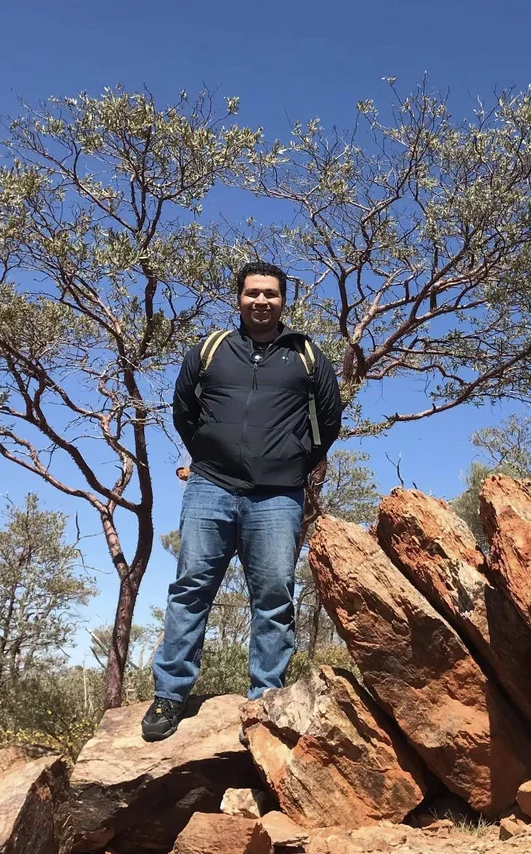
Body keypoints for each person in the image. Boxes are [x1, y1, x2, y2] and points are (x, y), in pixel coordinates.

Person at [142, 261, 343, 741]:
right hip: (209, 487)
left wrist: (292, 462)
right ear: (239, 298)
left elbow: (329, 422)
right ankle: (170, 696)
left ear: (283, 302)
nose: (261, 302)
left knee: (274, 597)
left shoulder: (307, 355)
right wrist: (210, 454)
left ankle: (264, 702)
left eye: (271, 294)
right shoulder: (211, 351)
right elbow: (183, 411)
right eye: (253, 293)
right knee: (191, 589)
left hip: (277, 497)